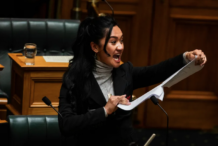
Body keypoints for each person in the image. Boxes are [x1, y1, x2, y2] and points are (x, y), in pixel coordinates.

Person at [58, 16, 207, 146]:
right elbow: (66, 125)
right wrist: (105, 111)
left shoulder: (125, 72)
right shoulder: (75, 79)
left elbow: (156, 72)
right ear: (95, 47)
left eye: (121, 41)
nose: (120, 47)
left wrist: (186, 57)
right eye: (113, 42)